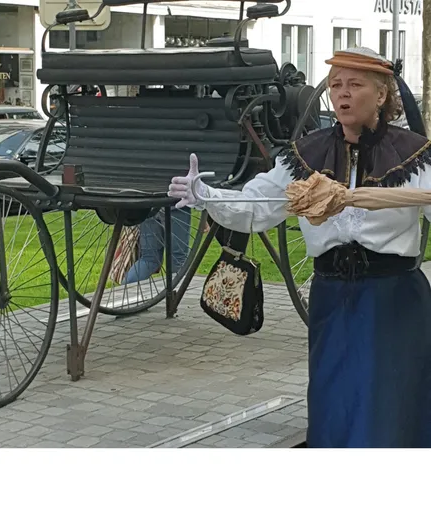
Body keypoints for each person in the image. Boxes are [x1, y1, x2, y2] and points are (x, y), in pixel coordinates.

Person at [168, 47, 431, 448]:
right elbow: (257, 206)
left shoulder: (414, 154)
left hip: (393, 301)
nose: (343, 93)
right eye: (336, 85)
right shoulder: (306, 154)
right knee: (333, 401)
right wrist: (206, 196)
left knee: (388, 404)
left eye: (355, 84)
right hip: (332, 299)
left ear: (381, 95)